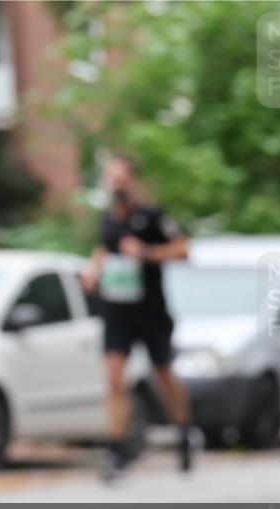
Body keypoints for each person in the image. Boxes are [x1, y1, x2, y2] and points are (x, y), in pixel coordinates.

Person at [82, 154, 202, 480]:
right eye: (111, 179)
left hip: (150, 311)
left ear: (132, 180)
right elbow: (104, 250)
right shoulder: (108, 220)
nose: (116, 185)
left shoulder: (152, 216)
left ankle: (185, 431)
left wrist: (147, 253)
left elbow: (183, 250)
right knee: (114, 379)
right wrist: (94, 273)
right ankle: (117, 451)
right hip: (117, 310)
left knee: (162, 373)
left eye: (121, 178)